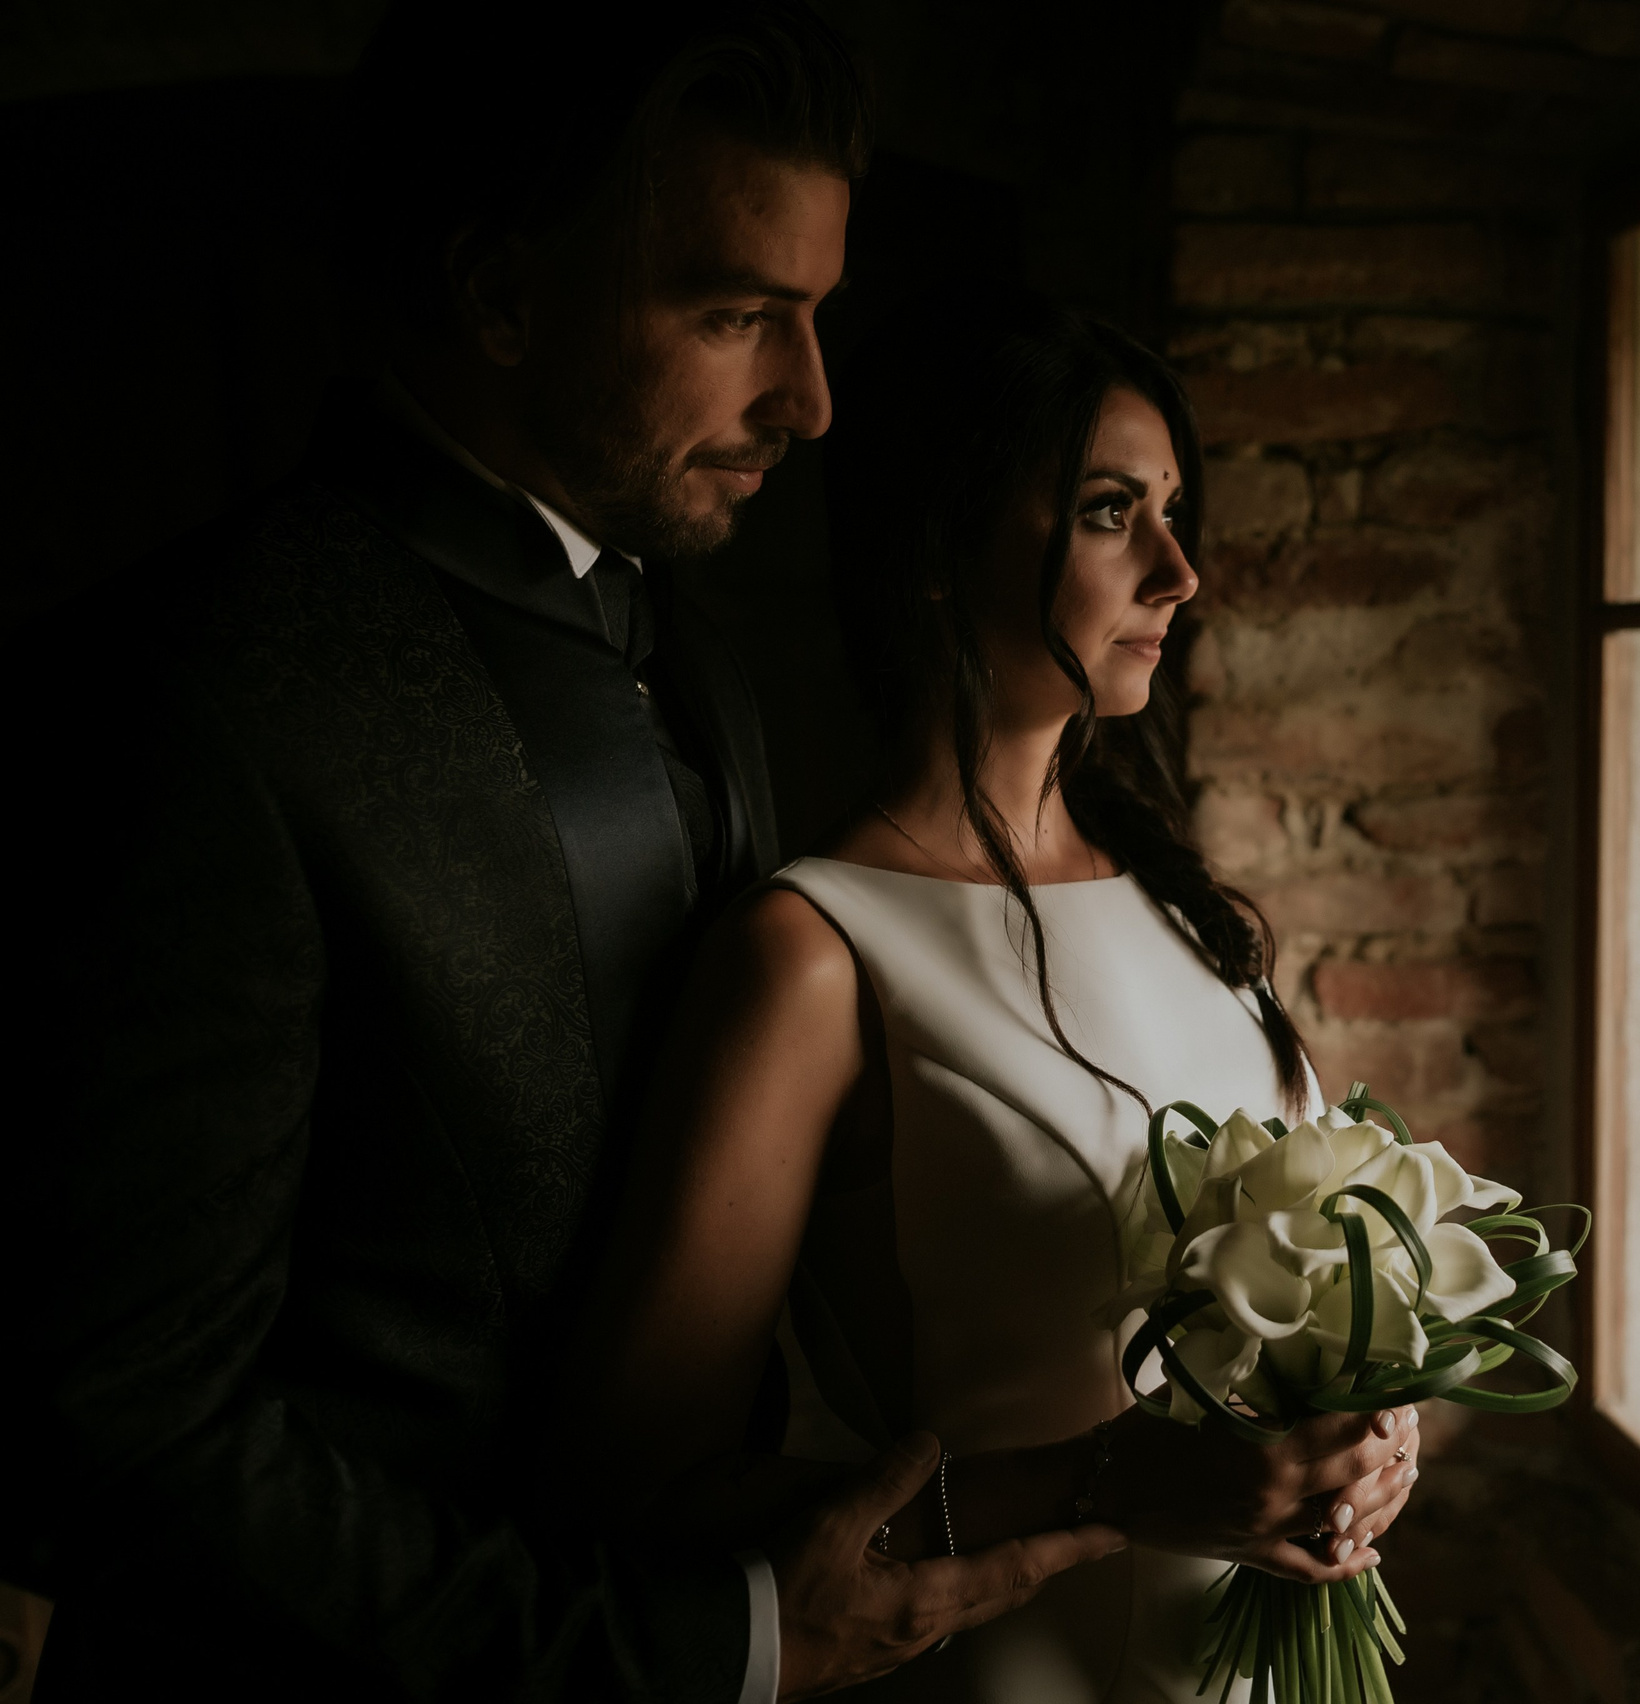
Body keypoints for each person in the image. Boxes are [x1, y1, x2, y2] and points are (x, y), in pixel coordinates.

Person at [18, 6, 1115, 1699]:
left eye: (816, 317)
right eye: (740, 315)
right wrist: (711, 1647)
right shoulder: (187, 695)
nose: (813, 402)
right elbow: (112, 1433)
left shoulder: (691, 648)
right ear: (503, 296)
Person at [556, 289, 1424, 1702]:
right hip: (1017, 1665)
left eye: (1173, 509)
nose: (1179, 570)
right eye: (1107, 512)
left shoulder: (1172, 903)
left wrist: (1361, 1436)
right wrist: (1108, 1486)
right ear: (946, 549)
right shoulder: (815, 948)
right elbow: (640, 1485)